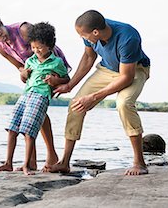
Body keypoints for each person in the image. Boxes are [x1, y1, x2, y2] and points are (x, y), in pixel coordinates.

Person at [48, 10, 151, 176]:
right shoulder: (89, 29)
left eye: (84, 36)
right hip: (107, 69)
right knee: (76, 104)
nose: (83, 38)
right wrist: (70, 85)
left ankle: (139, 162)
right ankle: (64, 162)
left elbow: (126, 77)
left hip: (134, 69)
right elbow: (89, 58)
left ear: (96, 32)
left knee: (124, 104)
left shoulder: (128, 37)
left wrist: (95, 97)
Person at [0, 12, 71, 171]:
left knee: (37, 112)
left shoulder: (23, 30)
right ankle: (32, 161)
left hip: (50, 69)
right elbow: (19, 66)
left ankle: (50, 155)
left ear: (1, 23)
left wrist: (54, 76)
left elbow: (46, 44)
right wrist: (23, 72)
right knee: (31, 114)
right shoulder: (2, 48)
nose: (1, 39)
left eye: (0, 34)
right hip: (33, 76)